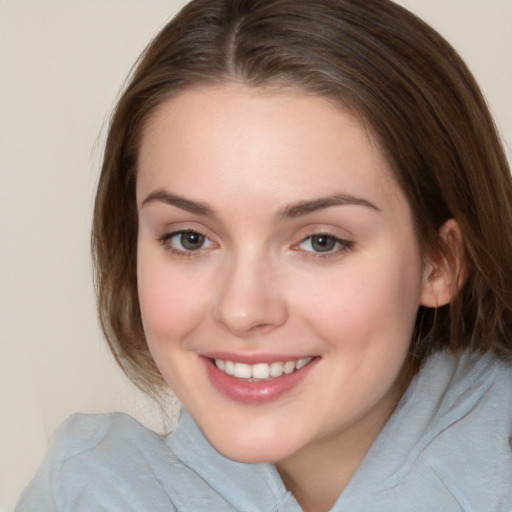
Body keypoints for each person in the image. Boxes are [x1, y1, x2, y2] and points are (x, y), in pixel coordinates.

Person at [16, 0, 512, 510]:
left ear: (440, 262)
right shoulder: (84, 494)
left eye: (321, 241)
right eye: (190, 238)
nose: (242, 310)